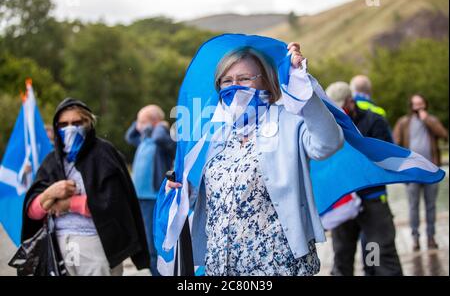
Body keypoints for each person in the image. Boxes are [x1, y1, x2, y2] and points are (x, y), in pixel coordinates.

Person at [165, 43, 344, 276]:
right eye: (227, 81)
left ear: (266, 82)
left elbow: (328, 143)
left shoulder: (289, 121)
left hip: (278, 265)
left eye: (244, 78)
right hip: (222, 266)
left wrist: (300, 80)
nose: (234, 87)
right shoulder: (213, 133)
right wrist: (181, 188)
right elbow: (197, 191)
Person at [22, 98, 150, 276]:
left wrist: (69, 204)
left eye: (76, 123)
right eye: (63, 124)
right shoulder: (52, 161)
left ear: (88, 123)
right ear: (56, 127)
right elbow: (32, 213)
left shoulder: (104, 154)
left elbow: (116, 207)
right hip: (57, 248)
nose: (70, 128)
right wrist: (49, 194)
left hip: (97, 245)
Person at [326, 81, 402, 276]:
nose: (337, 112)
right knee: (342, 254)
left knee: (376, 252)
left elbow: (387, 157)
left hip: (372, 200)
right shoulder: (328, 124)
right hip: (344, 201)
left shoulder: (374, 121)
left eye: (340, 107)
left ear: (351, 102)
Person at [393, 94, 448, 251]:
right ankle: (415, 238)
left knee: (431, 206)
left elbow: (443, 135)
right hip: (412, 172)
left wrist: (427, 120)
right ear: (411, 106)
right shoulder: (404, 122)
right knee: (413, 206)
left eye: (421, 104)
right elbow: (395, 143)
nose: (418, 107)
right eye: (415, 105)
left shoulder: (431, 120)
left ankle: (431, 237)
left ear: (425, 105)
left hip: (431, 170)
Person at [125, 104, 176, 276]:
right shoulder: (144, 140)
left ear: (154, 123)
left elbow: (161, 139)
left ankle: (159, 273)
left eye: (143, 122)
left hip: (153, 198)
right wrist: (140, 122)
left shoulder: (162, 141)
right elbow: (129, 136)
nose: (139, 126)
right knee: (144, 240)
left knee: (153, 242)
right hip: (139, 198)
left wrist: (160, 125)